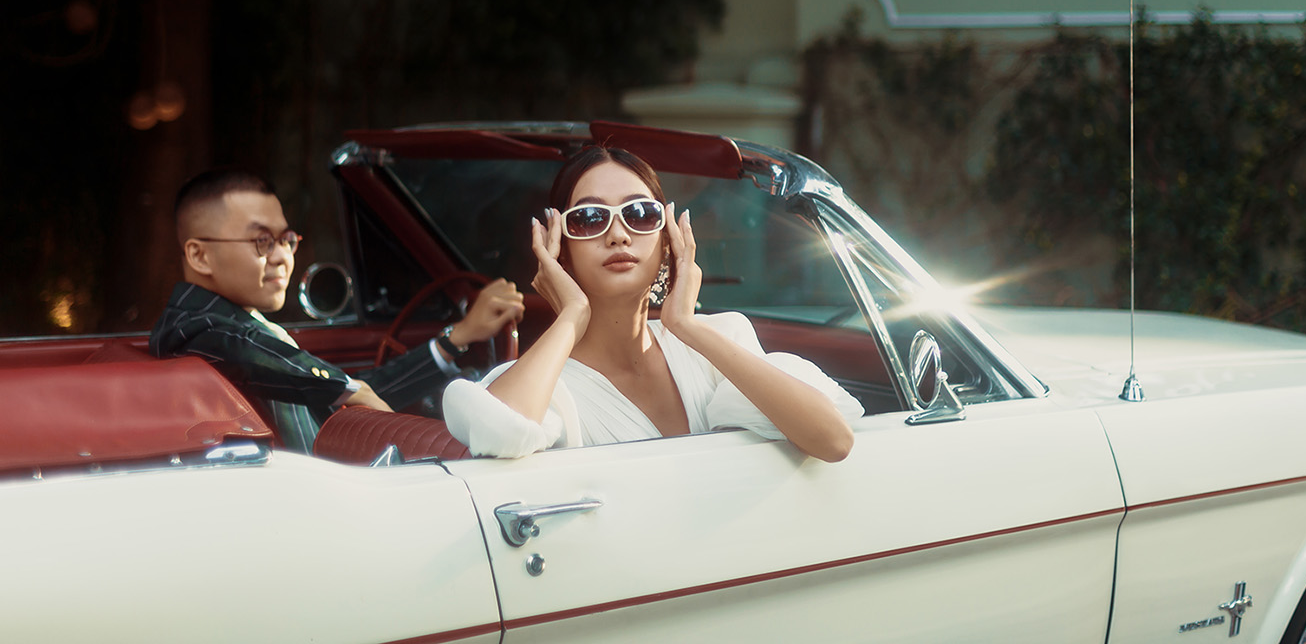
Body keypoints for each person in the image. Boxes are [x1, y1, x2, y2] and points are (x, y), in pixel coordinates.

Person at [443, 146, 862, 461]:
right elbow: (495, 435)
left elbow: (833, 440)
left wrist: (686, 326)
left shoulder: (719, 341)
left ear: (667, 242)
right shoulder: (544, 383)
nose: (619, 234)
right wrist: (571, 315)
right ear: (560, 250)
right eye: (589, 219)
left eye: (640, 214)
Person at [151, 168, 525, 453]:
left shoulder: (235, 323)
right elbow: (242, 347)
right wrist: (353, 392)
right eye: (262, 241)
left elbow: (334, 392)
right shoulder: (192, 326)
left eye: (286, 239)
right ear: (199, 255)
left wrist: (455, 339)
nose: (283, 257)